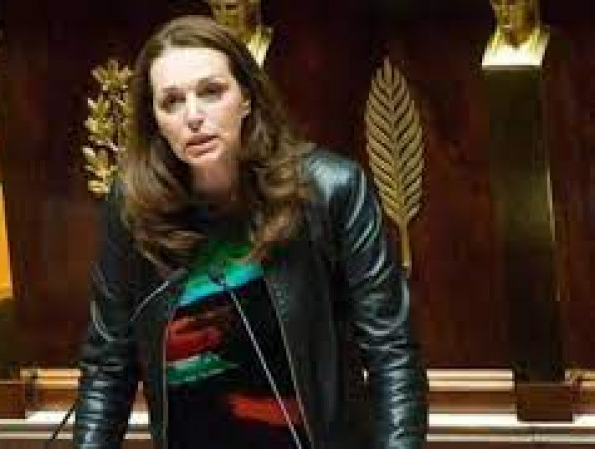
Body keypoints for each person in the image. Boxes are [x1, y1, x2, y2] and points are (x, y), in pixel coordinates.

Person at [73, 15, 427, 449]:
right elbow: (107, 365)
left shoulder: (331, 190)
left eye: (211, 92)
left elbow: (391, 351)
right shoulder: (133, 207)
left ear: (246, 98)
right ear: (156, 120)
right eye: (172, 102)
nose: (193, 116)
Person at [482, 0, 549, 67]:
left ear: (530, 3)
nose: (504, 13)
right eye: (497, 3)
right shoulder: (482, 48)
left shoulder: (550, 46)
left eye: (512, 3)